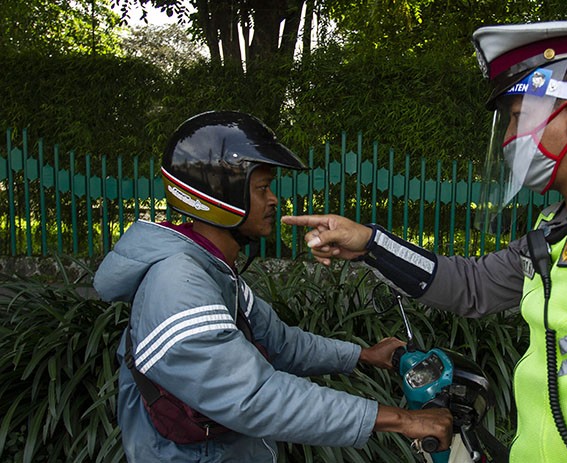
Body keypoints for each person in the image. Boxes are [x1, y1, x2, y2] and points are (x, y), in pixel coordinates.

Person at [282, 20, 567, 463]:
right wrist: (370, 244)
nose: (510, 141)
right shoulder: (566, 225)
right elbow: (473, 286)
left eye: (519, 119)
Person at [93, 111, 451, 461]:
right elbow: (255, 396)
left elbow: (278, 342)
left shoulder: (212, 268)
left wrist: (361, 355)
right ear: (222, 194)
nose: (273, 199)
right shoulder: (178, 285)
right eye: (262, 188)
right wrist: (402, 420)